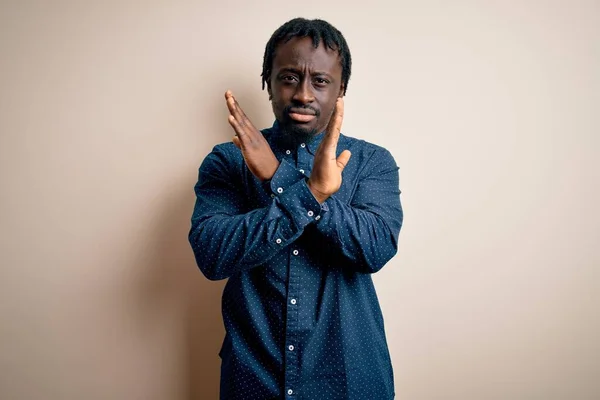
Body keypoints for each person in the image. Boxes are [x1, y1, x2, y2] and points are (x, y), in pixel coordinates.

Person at [189, 17, 403, 400]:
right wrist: (313, 194)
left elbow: (375, 248)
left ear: (341, 89)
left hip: (351, 378)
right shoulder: (227, 161)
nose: (304, 94)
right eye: (289, 77)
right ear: (267, 82)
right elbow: (211, 254)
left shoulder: (371, 162)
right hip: (253, 376)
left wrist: (277, 177)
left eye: (320, 81)